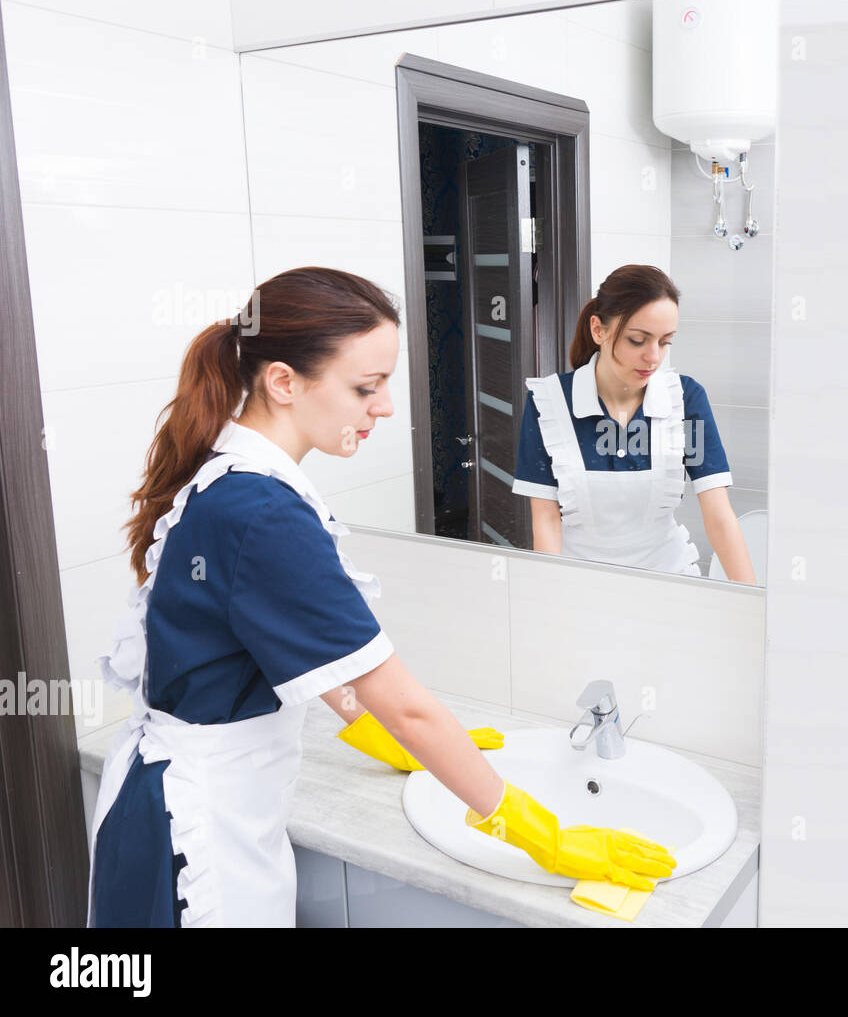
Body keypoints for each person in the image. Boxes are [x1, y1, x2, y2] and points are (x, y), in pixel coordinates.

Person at [86, 266, 675, 927]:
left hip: (171, 801)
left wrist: (372, 730)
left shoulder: (232, 478)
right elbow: (408, 706)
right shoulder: (261, 512)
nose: (387, 406)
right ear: (283, 382)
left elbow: (290, 643)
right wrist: (541, 833)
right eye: (366, 387)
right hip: (198, 835)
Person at [512, 264, 757, 582]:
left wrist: (750, 603)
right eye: (638, 340)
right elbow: (545, 520)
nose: (654, 357)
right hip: (580, 584)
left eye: (665, 341)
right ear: (598, 330)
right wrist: (556, 599)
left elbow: (719, 516)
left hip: (670, 581)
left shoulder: (684, 400)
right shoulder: (550, 404)